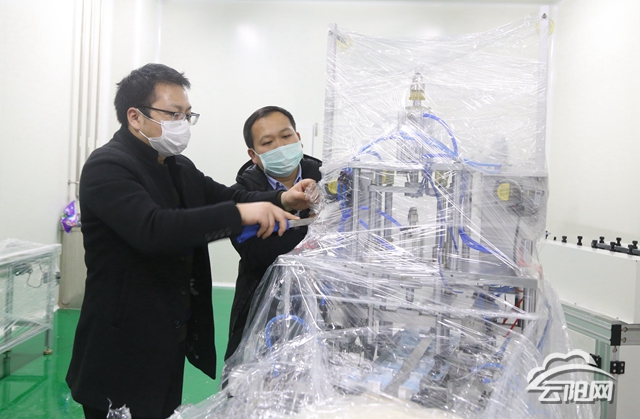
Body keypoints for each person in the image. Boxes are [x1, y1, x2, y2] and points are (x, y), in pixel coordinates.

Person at [65, 65, 315, 419]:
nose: (182, 124)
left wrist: (282, 199)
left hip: (168, 339)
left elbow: (227, 196)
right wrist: (242, 215)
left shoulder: (177, 166)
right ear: (135, 117)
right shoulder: (107, 166)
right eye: (173, 114)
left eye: (187, 115)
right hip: (121, 345)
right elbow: (153, 229)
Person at [224, 106, 322, 362]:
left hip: (323, 306)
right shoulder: (240, 197)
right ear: (253, 155)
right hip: (262, 307)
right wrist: (312, 226)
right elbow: (258, 254)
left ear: (298, 138)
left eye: (286, 136)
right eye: (267, 143)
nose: (280, 146)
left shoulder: (330, 182)